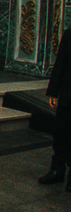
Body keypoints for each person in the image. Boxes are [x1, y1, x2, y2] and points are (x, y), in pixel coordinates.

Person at [40, 25, 71, 188]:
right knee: (60, 133)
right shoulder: (69, 34)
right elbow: (61, 63)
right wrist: (53, 91)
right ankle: (57, 170)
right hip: (68, 94)